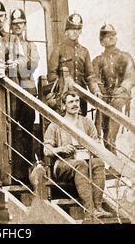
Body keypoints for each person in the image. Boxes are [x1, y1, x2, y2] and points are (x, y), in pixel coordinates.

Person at [44, 90, 112, 220]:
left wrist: (89, 147)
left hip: (85, 160)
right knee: (81, 165)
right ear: (64, 106)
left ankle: (98, 207)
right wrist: (61, 149)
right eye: (70, 102)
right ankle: (90, 210)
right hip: (63, 164)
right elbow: (46, 150)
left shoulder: (87, 122)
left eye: (77, 101)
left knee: (98, 162)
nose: (75, 104)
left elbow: (97, 144)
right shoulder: (56, 124)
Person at [48, 13, 102, 116]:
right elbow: (51, 75)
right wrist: (62, 87)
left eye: (77, 29)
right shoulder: (58, 49)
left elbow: (90, 76)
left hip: (81, 98)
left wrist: (96, 91)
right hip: (64, 98)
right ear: (66, 32)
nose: (75, 32)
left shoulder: (84, 51)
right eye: (72, 29)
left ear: (80, 31)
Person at [93, 24, 135, 154]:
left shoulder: (125, 57)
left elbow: (131, 76)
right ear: (101, 41)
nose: (110, 38)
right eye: (106, 36)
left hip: (120, 99)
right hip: (105, 99)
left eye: (113, 35)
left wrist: (122, 88)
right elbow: (93, 78)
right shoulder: (98, 60)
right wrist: (98, 90)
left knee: (113, 133)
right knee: (103, 132)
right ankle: (112, 162)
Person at [10, 8, 40, 180]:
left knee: (28, 129)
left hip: (27, 92)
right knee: (12, 129)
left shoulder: (31, 46)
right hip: (12, 93)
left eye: (21, 23)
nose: (18, 27)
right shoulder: (8, 43)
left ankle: (29, 167)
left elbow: (33, 64)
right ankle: (16, 170)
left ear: (25, 25)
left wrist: (17, 65)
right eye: (14, 24)